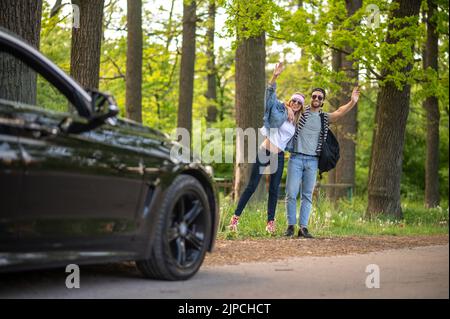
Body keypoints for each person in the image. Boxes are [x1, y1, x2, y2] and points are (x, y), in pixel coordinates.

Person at [229, 62, 305, 234]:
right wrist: (275, 76)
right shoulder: (279, 108)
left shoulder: (298, 123)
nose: (295, 103)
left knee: (274, 190)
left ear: (301, 106)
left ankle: (270, 223)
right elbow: (269, 96)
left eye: (298, 103)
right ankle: (234, 220)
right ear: (289, 101)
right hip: (265, 151)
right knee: (252, 186)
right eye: (293, 100)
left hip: (278, 156)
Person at [284, 86, 360, 238]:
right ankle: (291, 226)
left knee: (307, 195)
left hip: (312, 161)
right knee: (291, 193)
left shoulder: (325, 118)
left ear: (323, 101)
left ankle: (303, 228)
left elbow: (339, 112)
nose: (316, 99)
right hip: (296, 158)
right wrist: (289, 109)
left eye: (319, 97)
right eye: (314, 96)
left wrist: (352, 102)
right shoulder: (301, 111)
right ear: (310, 98)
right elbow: (286, 104)